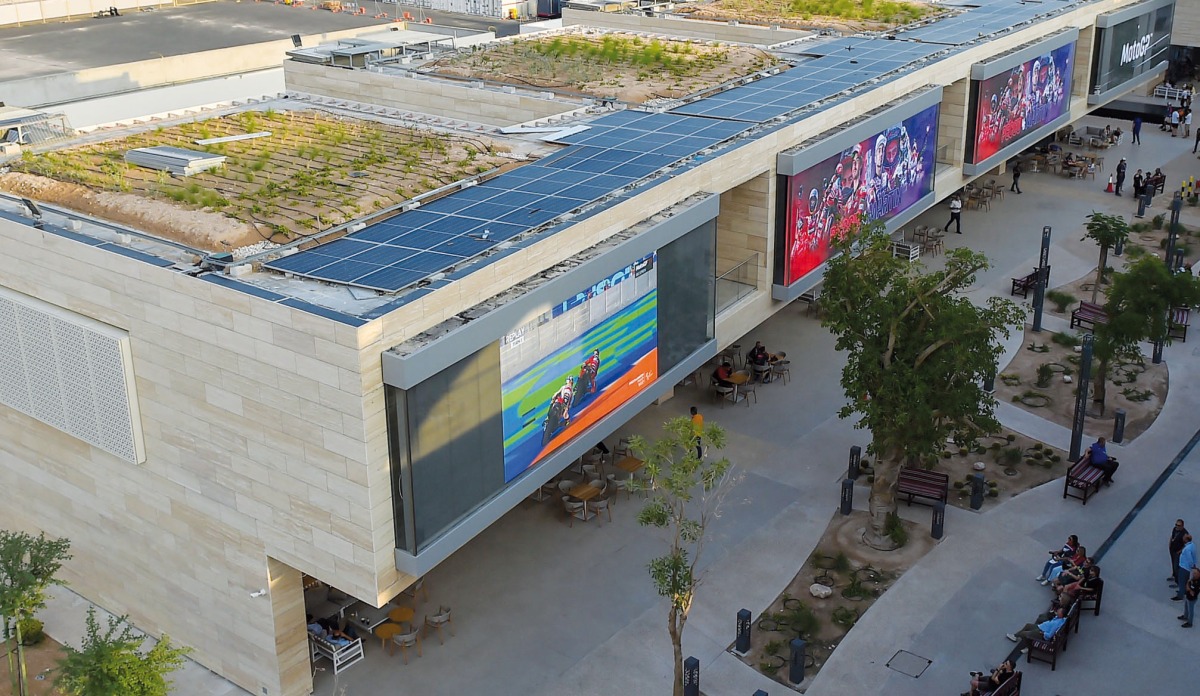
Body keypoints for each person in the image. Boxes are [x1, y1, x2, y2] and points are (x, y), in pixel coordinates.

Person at [1173, 534, 1196, 601]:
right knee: (1186, 581)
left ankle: (1180, 595)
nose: (1182, 539)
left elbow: (1189, 559)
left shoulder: (1187, 549)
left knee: (1181, 581)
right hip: (1188, 568)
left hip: (1184, 567)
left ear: (1186, 540)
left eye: (1183, 538)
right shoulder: (1192, 545)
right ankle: (1184, 591)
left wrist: (1192, 566)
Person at [1170, 519, 1190, 587]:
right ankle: (1174, 575)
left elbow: (1187, 545)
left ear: (1182, 526)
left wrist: (1180, 551)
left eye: (1178, 525)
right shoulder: (1175, 529)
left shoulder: (1185, 534)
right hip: (1172, 550)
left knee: (1177, 567)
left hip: (1178, 552)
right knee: (1173, 564)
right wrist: (1170, 544)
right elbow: (1172, 537)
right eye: (1176, 525)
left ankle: (1178, 582)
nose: (1177, 526)